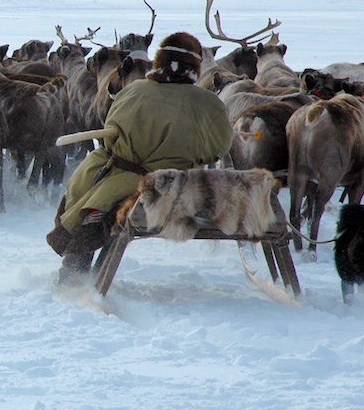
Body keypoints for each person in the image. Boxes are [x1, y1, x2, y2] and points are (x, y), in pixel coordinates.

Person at [47, 31, 233, 285]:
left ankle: (75, 264)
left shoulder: (133, 91)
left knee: (89, 191)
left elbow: (111, 136)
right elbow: (219, 146)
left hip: (128, 179)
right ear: (194, 68)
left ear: (159, 62)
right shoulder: (209, 102)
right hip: (177, 183)